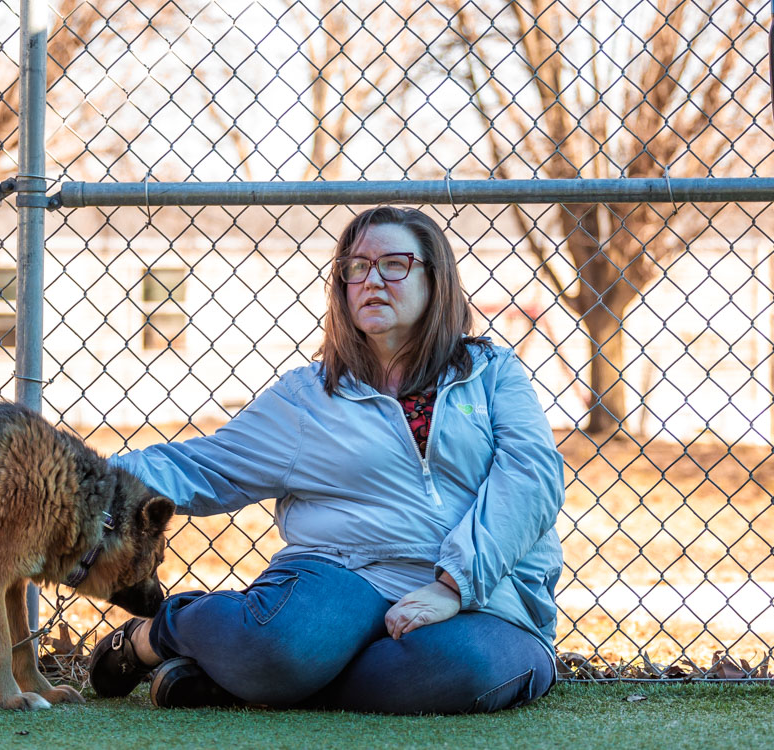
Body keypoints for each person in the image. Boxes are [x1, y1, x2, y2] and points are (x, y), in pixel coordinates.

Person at [88, 206, 565, 714]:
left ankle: (243, 683)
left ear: (436, 278)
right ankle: (160, 633)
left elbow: (530, 479)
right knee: (277, 647)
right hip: (346, 573)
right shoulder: (309, 397)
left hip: (486, 595)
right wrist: (82, 485)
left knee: (463, 670)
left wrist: (453, 586)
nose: (371, 280)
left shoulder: (492, 373)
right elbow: (204, 464)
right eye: (355, 267)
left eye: (394, 264)